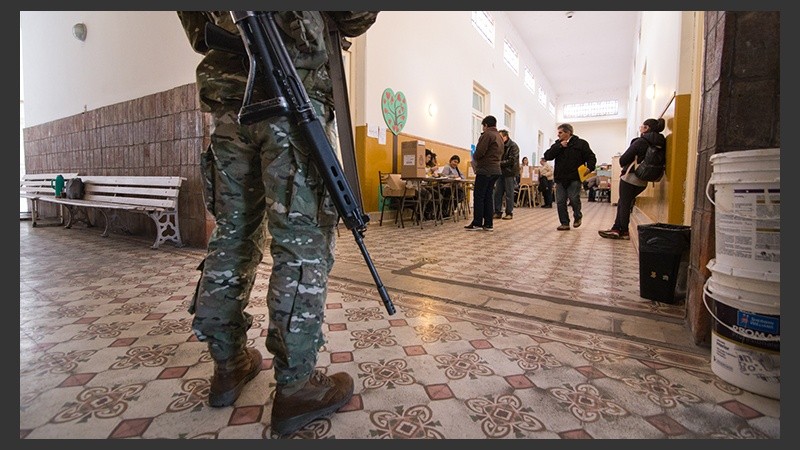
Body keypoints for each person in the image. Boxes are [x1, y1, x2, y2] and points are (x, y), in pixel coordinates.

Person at [177, 10, 380, 437]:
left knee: (231, 234)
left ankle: (228, 365)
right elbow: (355, 15)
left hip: (229, 105)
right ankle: (297, 386)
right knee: (301, 242)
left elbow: (200, 32)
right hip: (291, 94)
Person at [600, 118, 667, 240]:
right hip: (644, 180)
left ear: (646, 128)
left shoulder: (641, 142)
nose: (640, 128)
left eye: (642, 126)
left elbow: (623, 159)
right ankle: (616, 229)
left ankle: (623, 231)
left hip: (630, 177)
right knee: (623, 202)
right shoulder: (661, 143)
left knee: (624, 203)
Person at [543, 123, 597, 230]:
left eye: (560, 132)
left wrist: (589, 168)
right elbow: (547, 156)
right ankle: (564, 223)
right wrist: (559, 146)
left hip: (574, 177)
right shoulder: (557, 145)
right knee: (560, 201)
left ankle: (577, 216)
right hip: (560, 178)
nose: (558, 135)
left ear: (568, 132)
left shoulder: (581, 144)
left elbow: (591, 157)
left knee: (573, 198)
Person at [464, 115, 503, 231]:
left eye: (483, 126)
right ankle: (488, 223)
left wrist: (474, 157)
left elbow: (479, 152)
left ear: (485, 125)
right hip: (496, 169)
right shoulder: (499, 136)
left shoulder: (487, 135)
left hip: (485, 169)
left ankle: (477, 223)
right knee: (488, 196)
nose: (483, 129)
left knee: (479, 196)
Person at [493, 129, 520, 220]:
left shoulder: (513, 146)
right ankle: (497, 212)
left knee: (509, 193)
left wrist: (498, 163)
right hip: (500, 172)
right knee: (498, 193)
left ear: (505, 137)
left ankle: (509, 213)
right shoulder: (499, 146)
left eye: (500, 137)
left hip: (509, 172)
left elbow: (512, 160)